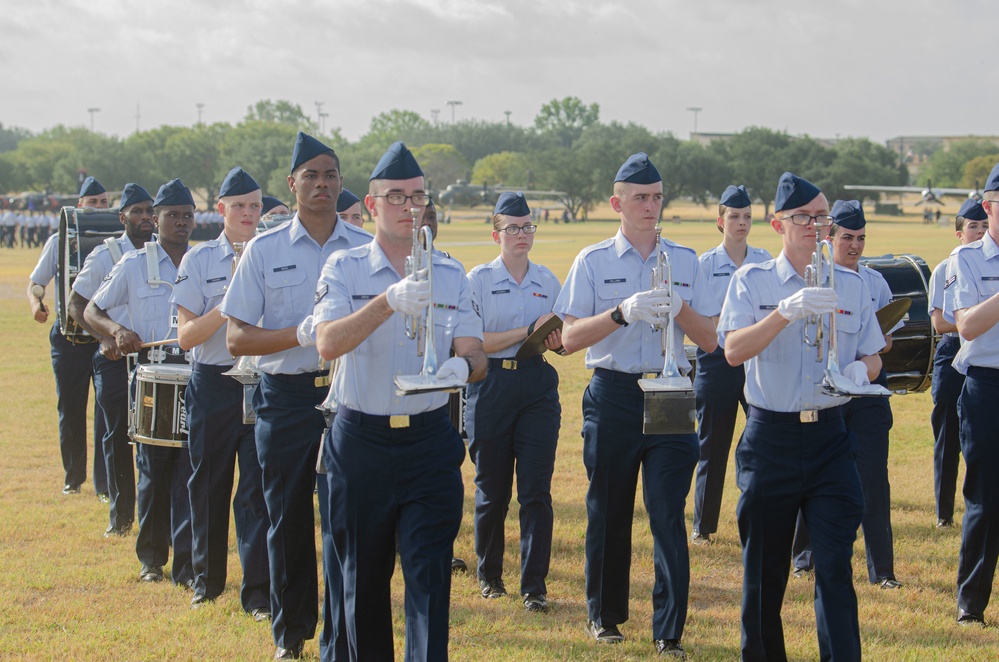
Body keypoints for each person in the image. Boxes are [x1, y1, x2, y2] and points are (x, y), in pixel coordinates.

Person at [314, 141, 486, 661]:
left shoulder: (451, 272)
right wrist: (387, 302)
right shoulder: (344, 269)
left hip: (429, 441)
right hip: (361, 440)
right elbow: (327, 343)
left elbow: (475, 352)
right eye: (396, 197)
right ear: (371, 205)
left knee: (430, 578)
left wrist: (464, 367)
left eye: (417, 197)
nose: (409, 208)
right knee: (361, 583)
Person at [554, 153, 720, 658]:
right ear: (617, 203)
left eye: (656, 197)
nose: (651, 206)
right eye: (640, 198)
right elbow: (565, 338)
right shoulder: (593, 259)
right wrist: (621, 312)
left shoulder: (688, 260)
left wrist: (679, 305)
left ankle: (669, 629)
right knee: (609, 507)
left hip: (671, 390)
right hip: (615, 394)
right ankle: (605, 616)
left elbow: (712, 339)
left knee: (668, 510)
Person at [719, 172, 884, 661]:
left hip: (832, 439)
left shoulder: (852, 285)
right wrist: (783, 313)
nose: (817, 226)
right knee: (765, 573)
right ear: (777, 224)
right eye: (804, 218)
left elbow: (875, 354)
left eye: (822, 217)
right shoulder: (753, 281)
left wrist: (860, 368)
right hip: (771, 439)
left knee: (835, 567)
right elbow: (731, 350)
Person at [221, 132, 371, 660]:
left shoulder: (365, 250)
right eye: (311, 175)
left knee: (346, 521)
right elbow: (237, 337)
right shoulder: (265, 249)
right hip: (285, 398)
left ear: (341, 183)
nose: (322, 184)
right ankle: (291, 633)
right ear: (292, 184)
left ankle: (339, 631)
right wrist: (300, 334)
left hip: (350, 395)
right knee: (286, 517)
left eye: (331, 175)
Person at [84, 178, 195, 586]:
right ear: (155, 219)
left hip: (197, 375)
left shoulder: (203, 262)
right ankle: (151, 559)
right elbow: (93, 309)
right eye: (171, 216)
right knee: (152, 470)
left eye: (187, 216)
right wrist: (115, 332)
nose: (180, 223)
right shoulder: (133, 264)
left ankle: (186, 562)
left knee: (190, 472)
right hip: (150, 374)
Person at [171, 167, 270, 619]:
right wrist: (227, 301)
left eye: (255, 206)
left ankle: (258, 593)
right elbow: (187, 336)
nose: (248, 214)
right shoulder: (198, 261)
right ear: (221, 210)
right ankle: (205, 580)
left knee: (256, 492)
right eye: (239, 207)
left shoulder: (273, 254)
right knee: (208, 484)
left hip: (262, 384)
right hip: (213, 383)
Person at [791, 200, 903, 588]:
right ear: (830, 237)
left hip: (868, 388)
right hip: (825, 391)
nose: (854, 245)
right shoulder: (815, 277)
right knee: (816, 473)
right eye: (847, 238)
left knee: (873, 478)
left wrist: (874, 350)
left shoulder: (874, 282)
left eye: (860, 238)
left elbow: (885, 340)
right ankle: (804, 558)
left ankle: (882, 571)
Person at [465, 192, 562, 612]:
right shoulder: (478, 281)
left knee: (536, 491)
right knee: (492, 490)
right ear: (496, 234)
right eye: (512, 228)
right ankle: (489, 575)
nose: (521, 235)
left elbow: (560, 339)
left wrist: (558, 340)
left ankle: (534, 586)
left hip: (537, 386)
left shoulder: (548, 280)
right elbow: (477, 342)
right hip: (491, 386)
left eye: (528, 227)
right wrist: (527, 329)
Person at [68, 183, 157, 537]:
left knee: (157, 436)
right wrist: (106, 337)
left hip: (155, 356)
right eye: (137, 211)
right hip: (114, 357)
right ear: (122, 218)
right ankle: (120, 516)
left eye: (150, 211)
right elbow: (77, 304)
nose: (145, 218)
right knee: (117, 433)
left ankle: (157, 513)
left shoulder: (160, 251)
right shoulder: (106, 254)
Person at [691, 184, 771, 545]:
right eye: (735, 217)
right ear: (720, 222)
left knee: (763, 443)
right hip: (717, 362)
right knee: (713, 445)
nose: (742, 223)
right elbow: (705, 320)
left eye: (748, 217)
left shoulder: (765, 261)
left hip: (757, 363)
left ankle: (759, 519)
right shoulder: (705, 265)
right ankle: (703, 526)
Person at [26, 176, 111, 498]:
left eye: (104, 203)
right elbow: (37, 282)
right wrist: (36, 303)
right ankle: (73, 479)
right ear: (80, 206)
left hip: (105, 340)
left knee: (107, 413)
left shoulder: (117, 241)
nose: (99, 208)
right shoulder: (59, 239)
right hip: (68, 338)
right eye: (93, 203)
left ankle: (105, 485)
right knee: (71, 409)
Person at [943, 162, 999, 627]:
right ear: (988, 206)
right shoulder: (968, 259)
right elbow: (966, 325)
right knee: (986, 496)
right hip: (987, 385)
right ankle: (972, 602)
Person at [928, 199, 986, 528]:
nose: (979, 233)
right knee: (948, 437)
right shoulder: (945, 268)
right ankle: (944, 513)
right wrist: (977, 320)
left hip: (983, 355)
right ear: (958, 233)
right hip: (952, 354)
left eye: (984, 227)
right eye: (972, 227)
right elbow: (939, 322)